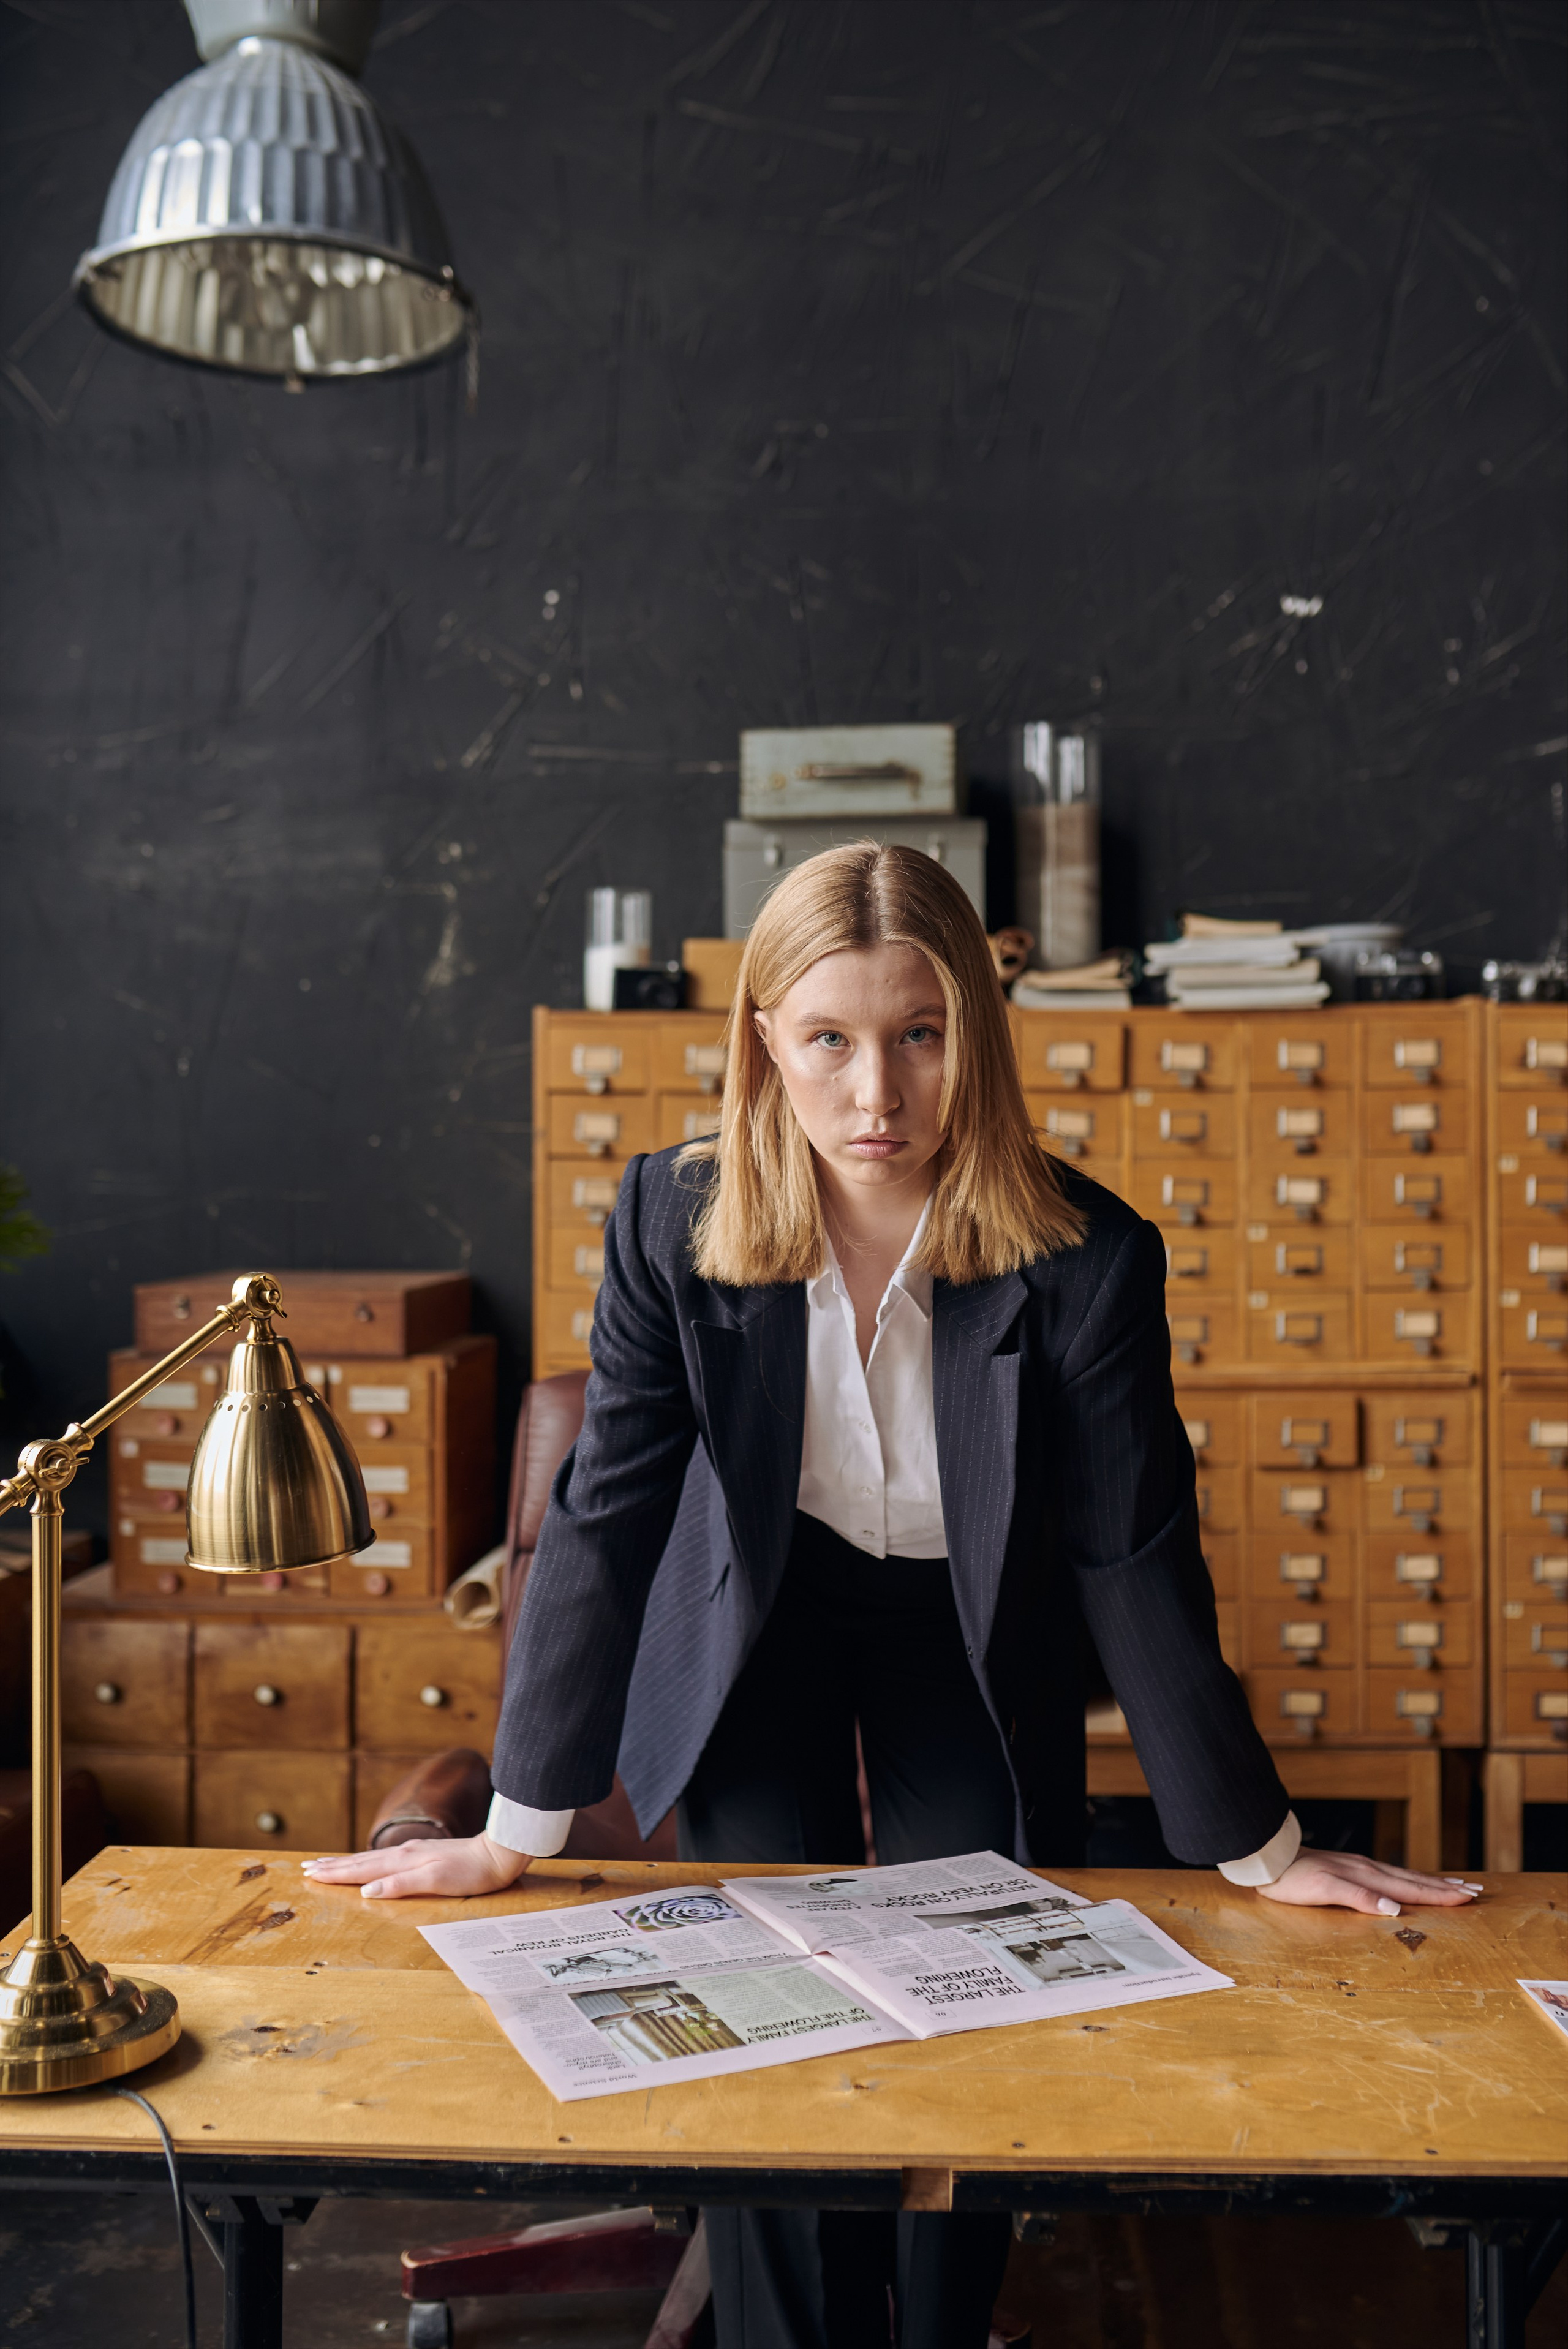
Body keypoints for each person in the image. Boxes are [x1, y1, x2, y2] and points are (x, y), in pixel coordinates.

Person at [306, 843, 1479, 2349]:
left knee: (981, 1995)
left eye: (918, 1035)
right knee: (759, 2022)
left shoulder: (1084, 1257)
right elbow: (605, 1515)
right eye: (829, 1040)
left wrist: (1259, 1849)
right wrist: (512, 1829)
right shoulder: (670, 1219)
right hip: (755, 1616)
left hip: (962, 1627)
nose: (877, 1093)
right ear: (764, 1046)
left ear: (971, 1039)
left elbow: (1131, 1553)